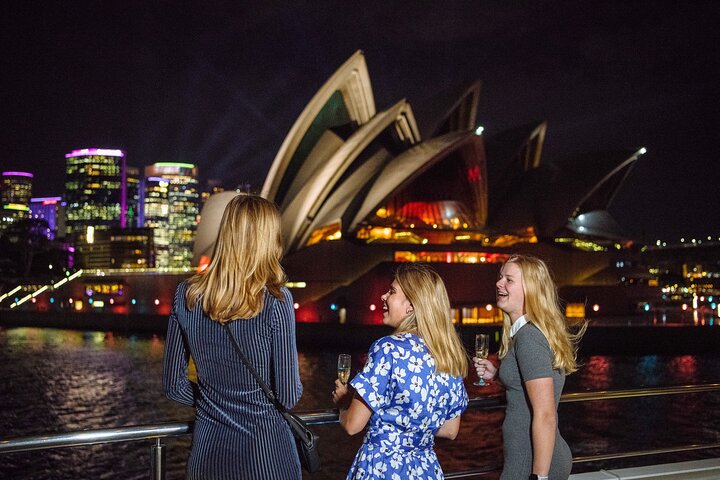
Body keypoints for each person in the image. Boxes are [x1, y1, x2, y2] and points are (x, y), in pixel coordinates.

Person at [163, 194, 303, 480]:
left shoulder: (186, 296)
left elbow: (174, 386)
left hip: (208, 455)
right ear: (267, 240)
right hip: (266, 456)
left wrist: (215, 402)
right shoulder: (276, 300)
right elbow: (288, 395)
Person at [332, 263, 468, 479]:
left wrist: (343, 405)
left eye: (392, 291)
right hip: (425, 469)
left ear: (411, 305)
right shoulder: (448, 354)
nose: (384, 296)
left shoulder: (388, 348)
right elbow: (450, 430)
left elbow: (352, 425)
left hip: (383, 468)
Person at [474, 254, 586, 480]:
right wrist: (498, 375)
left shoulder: (529, 338)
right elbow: (530, 384)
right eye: (500, 277)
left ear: (531, 290)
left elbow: (546, 415)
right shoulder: (527, 334)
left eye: (509, 279)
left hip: (530, 463)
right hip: (530, 458)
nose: (499, 283)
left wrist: (539, 477)